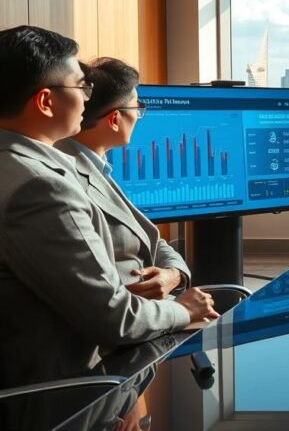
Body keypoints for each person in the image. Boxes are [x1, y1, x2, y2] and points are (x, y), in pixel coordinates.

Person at [0, 25, 216, 389]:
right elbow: (112, 316)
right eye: (80, 86)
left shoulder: (35, 164)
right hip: (72, 388)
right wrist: (185, 310)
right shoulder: (40, 187)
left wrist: (171, 278)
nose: (88, 98)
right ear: (45, 101)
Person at [54, 58, 191, 298]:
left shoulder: (97, 166)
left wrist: (175, 273)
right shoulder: (63, 178)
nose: (139, 116)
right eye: (137, 109)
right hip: (133, 316)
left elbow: (150, 238)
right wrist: (180, 310)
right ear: (115, 119)